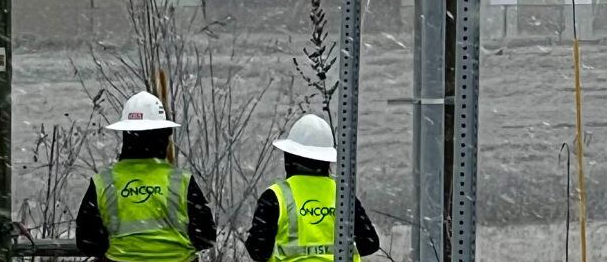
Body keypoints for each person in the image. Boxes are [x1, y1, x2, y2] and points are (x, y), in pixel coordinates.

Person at [76, 91, 217, 262]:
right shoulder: (182, 182)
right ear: (163, 136)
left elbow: (87, 242)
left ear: (125, 134)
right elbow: (206, 237)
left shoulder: (103, 183)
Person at [243, 114, 380, 262]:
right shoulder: (343, 193)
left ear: (290, 157)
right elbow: (369, 243)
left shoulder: (275, 197)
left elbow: (258, 251)